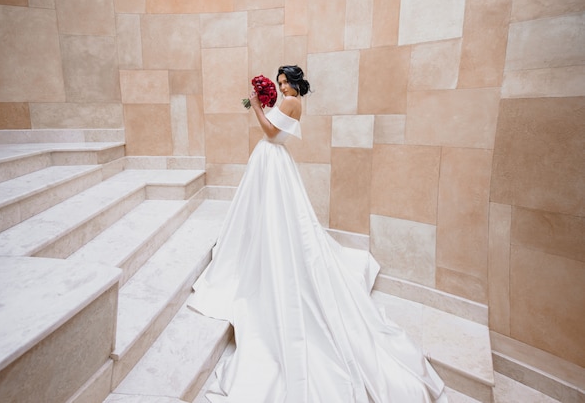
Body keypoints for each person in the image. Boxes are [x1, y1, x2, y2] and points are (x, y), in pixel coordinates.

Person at [188, 65, 447, 402]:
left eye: (285, 82)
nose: (281, 87)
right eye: (278, 83)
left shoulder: (293, 102)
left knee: (279, 219)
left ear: (296, 83)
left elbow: (270, 133)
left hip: (273, 158)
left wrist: (256, 106)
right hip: (270, 162)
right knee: (261, 215)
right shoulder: (287, 101)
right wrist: (265, 105)